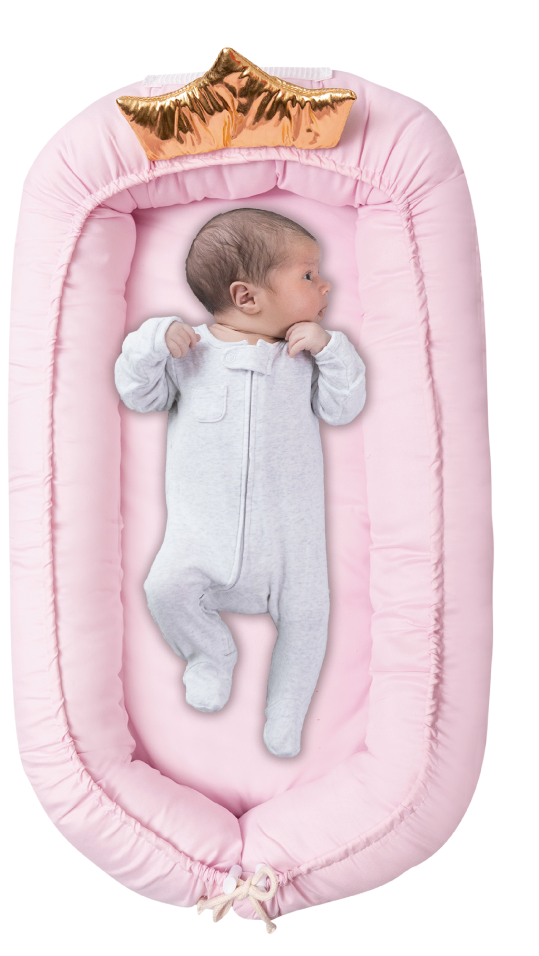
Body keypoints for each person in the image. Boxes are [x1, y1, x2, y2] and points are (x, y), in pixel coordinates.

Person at [114, 208, 366, 757]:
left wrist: (332, 350)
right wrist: (152, 340)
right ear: (247, 297)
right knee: (163, 588)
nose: (326, 285)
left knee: (309, 617)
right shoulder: (189, 353)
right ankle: (210, 654)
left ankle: (287, 711)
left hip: (289, 541)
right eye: (308, 275)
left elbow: (343, 408)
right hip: (201, 536)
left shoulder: (304, 356)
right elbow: (138, 394)